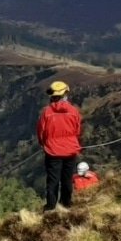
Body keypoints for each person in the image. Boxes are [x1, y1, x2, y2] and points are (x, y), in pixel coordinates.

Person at [36, 81, 82, 212]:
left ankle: (51, 206)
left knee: (53, 180)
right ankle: (66, 204)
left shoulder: (47, 112)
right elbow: (77, 131)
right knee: (67, 179)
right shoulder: (74, 111)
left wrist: (44, 144)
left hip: (52, 152)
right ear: (65, 94)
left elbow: (41, 132)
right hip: (70, 150)